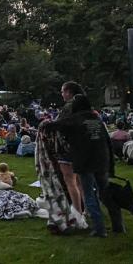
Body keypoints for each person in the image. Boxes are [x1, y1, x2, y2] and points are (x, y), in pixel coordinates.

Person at [43, 94, 124, 237]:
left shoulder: (75, 120)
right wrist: (110, 164)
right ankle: (118, 225)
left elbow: (56, 126)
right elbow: (107, 141)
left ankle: (100, 229)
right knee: (105, 193)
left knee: (89, 194)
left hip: (85, 161)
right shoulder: (97, 120)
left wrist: (45, 124)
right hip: (102, 160)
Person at [54, 81, 85, 219]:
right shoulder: (84, 105)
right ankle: (88, 209)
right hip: (82, 147)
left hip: (67, 147)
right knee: (81, 181)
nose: (61, 95)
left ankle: (77, 211)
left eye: (62, 91)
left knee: (70, 180)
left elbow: (59, 125)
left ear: (68, 92)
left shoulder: (68, 107)